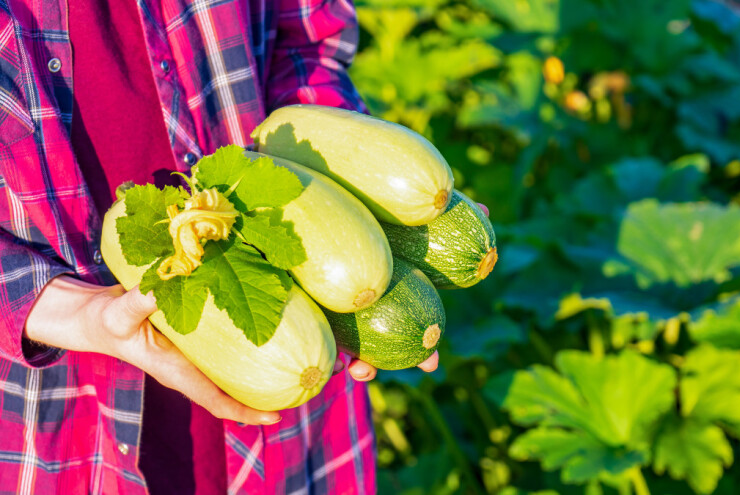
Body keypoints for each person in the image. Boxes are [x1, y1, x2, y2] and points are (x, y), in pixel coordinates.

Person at [0, 0, 439, 493]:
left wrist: (354, 183)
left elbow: (308, 41)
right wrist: (75, 311)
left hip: (298, 360)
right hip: (60, 412)